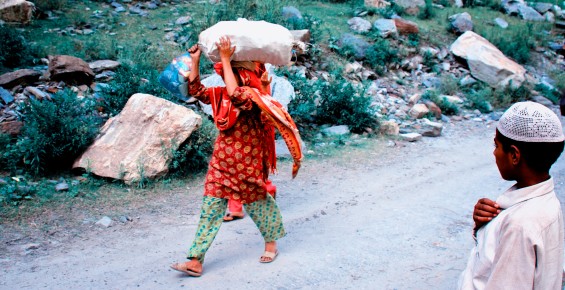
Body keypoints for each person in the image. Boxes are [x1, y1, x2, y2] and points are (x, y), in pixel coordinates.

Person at [170, 36, 303, 277]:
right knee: (210, 208)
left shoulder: (254, 98)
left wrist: (224, 58)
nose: (230, 75)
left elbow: (236, 94)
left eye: (237, 71)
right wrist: (196, 60)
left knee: (259, 204)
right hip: (221, 163)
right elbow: (196, 90)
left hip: (246, 165)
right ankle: (195, 259)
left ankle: (271, 244)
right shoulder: (221, 93)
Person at [458, 101, 565, 289]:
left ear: (514, 155)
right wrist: (485, 227)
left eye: (497, 145)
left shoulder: (520, 225)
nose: (494, 152)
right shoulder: (546, 203)